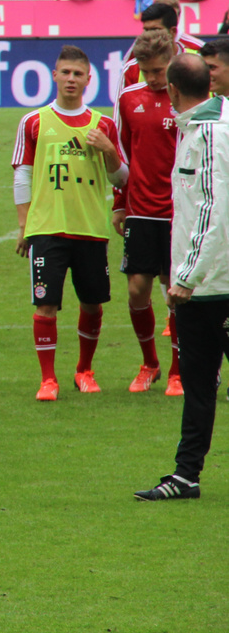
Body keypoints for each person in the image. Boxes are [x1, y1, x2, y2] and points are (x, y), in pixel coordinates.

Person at [134, 54, 229, 500]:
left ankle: (186, 475)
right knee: (197, 387)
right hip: (205, 285)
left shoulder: (209, 135)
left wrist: (185, 278)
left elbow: (213, 211)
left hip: (212, 288)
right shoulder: (201, 126)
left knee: (199, 388)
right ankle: (186, 476)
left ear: (171, 89)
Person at [13, 45, 128, 401]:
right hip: (47, 228)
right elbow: (22, 175)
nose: (71, 79)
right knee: (45, 305)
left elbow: (122, 179)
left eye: (78, 74)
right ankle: (48, 379)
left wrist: (109, 149)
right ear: (54, 75)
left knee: (92, 304)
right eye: (65, 73)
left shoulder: (103, 125)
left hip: (90, 229)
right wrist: (23, 225)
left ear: (88, 80)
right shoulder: (33, 121)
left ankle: (84, 370)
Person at [112, 31, 182, 396]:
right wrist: (118, 202)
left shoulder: (188, 97)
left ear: (171, 60)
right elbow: (121, 154)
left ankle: (176, 371)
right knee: (137, 290)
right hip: (140, 209)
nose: (153, 78)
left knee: (175, 293)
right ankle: (149, 363)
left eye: (158, 70)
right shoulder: (127, 98)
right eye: (146, 71)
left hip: (179, 210)